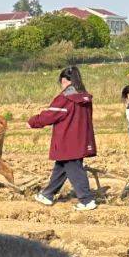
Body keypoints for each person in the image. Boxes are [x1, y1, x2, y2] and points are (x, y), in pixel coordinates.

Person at [29, 66, 98, 211]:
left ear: (66, 81)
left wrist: (32, 121)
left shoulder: (64, 98)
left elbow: (50, 115)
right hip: (81, 138)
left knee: (74, 169)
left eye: (61, 82)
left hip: (67, 140)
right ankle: (47, 195)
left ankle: (86, 200)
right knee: (61, 167)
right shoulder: (84, 97)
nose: (61, 85)